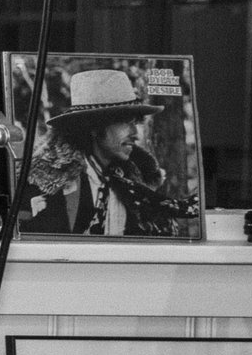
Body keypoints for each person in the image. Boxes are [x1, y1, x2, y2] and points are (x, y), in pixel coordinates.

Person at [19, 67, 196, 237]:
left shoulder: (137, 182)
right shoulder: (46, 183)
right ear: (94, 127)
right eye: (126, 122)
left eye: (136, 123)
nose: (135, 134)